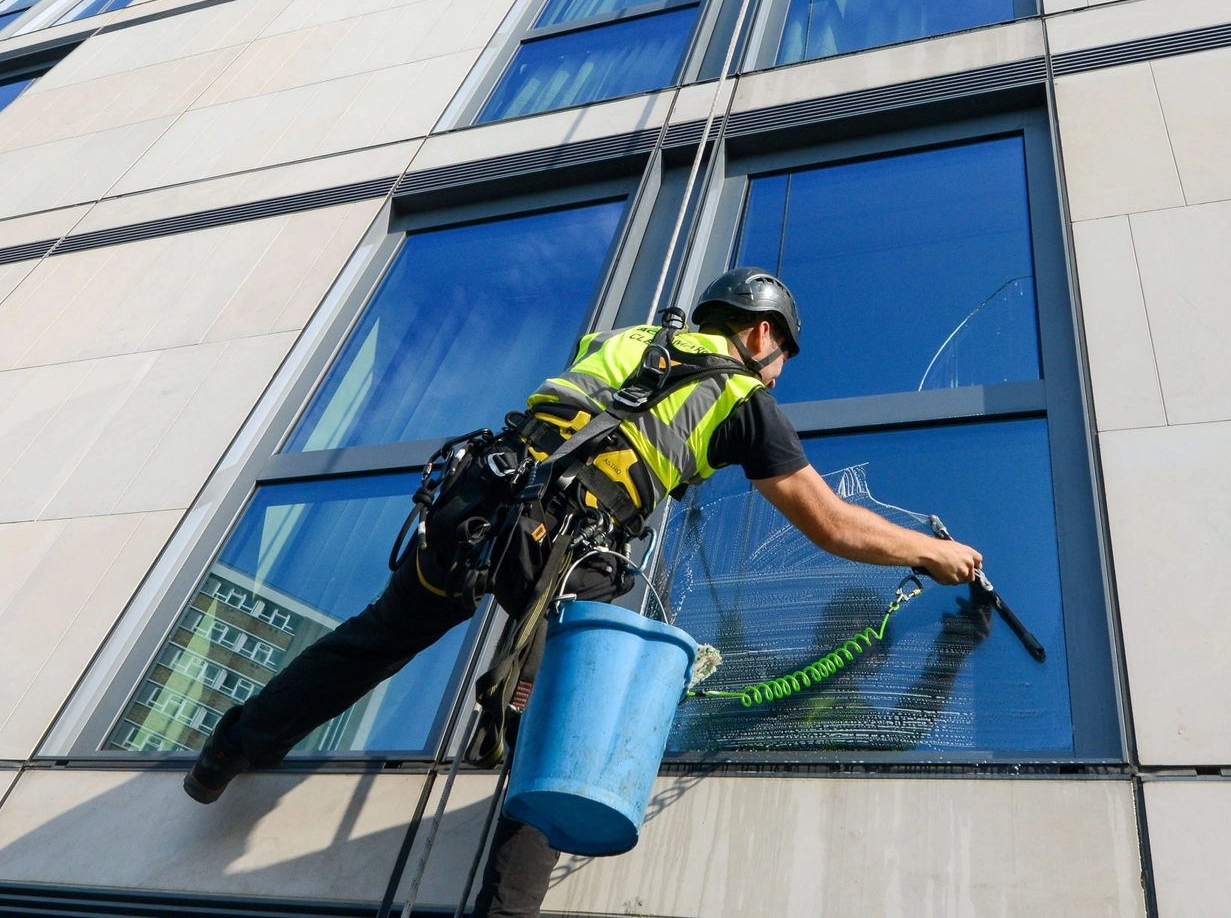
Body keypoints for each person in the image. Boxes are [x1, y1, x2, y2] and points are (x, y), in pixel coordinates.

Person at [181, 266, 984, 918]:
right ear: (762, 334)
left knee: (379, 634)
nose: (777, 373)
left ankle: (233, 747)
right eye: (781, 358)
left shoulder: (632, 339)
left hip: (476, 499)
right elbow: (832, 524)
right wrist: (931, 555)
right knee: (567, 718)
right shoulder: (743, 397)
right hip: (567, 535)